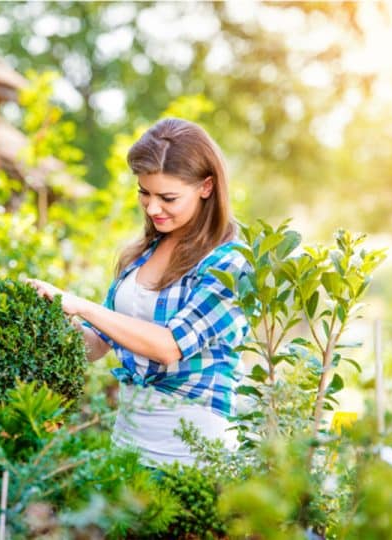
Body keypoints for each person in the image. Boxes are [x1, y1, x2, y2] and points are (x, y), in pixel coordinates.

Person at [27, 117, 250, 466]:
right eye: (144, 193)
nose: (152, 207)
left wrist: (81, 305)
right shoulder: (141, 255)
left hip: (192, 453)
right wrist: (45, 314)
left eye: (168, 197)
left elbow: (168, 347)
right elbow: (98, 344)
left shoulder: (229, 262)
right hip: (129, 443)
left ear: (206, 187)